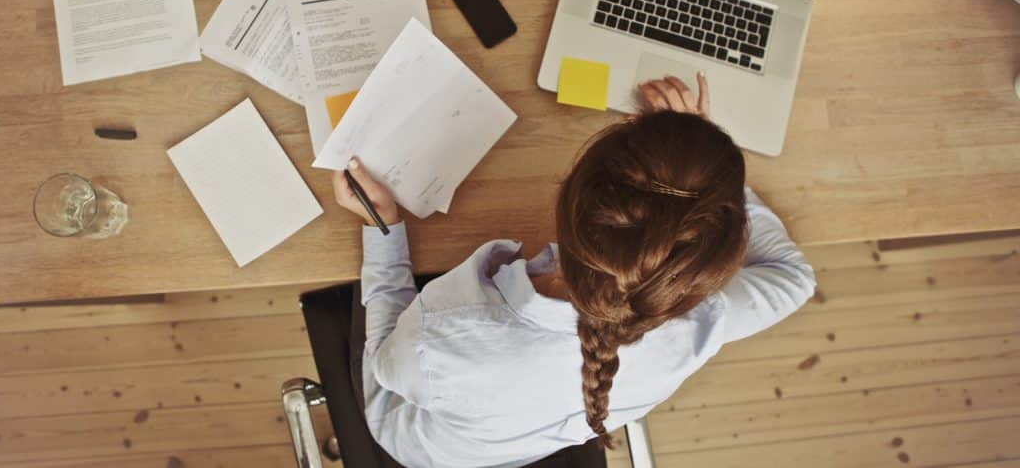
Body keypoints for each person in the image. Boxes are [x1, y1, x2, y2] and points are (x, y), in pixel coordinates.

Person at [333, 74, 816, 468]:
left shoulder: (443, 332)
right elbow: (794, 279)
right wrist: (702, 177)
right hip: (525, 438)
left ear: (565, 189)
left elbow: (386, 368)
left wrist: (385, 229)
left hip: (414, 442)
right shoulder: (699, 326)